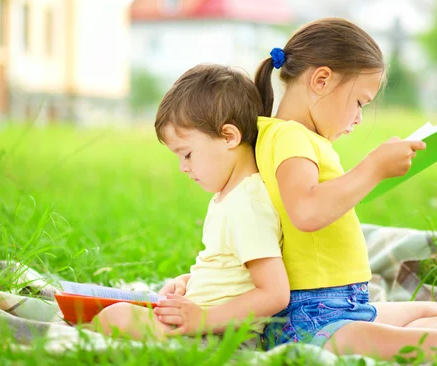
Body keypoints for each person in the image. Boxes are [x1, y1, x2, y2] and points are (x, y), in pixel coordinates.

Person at [253, 17, 437, 359]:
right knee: (435, 338)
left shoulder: (295, 138)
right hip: (312, 319)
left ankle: (388, 346)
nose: (358, 119)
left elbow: (317, 199)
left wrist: (376, 174)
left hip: (344, 307)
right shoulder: (289, 136)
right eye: (359, 103)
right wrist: (372, 167)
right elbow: (306, 211)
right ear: (321, 80)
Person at [94, 64, 290, 341]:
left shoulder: (248, 206)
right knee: (113, 313)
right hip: (206, 324)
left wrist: (204, 319)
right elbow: (230, 272)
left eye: (186, 154)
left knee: (116, 317)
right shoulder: (230, 197)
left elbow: (275, 293)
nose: (182, 168)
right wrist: (188, 283)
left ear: (229, 137)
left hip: (225, 335)